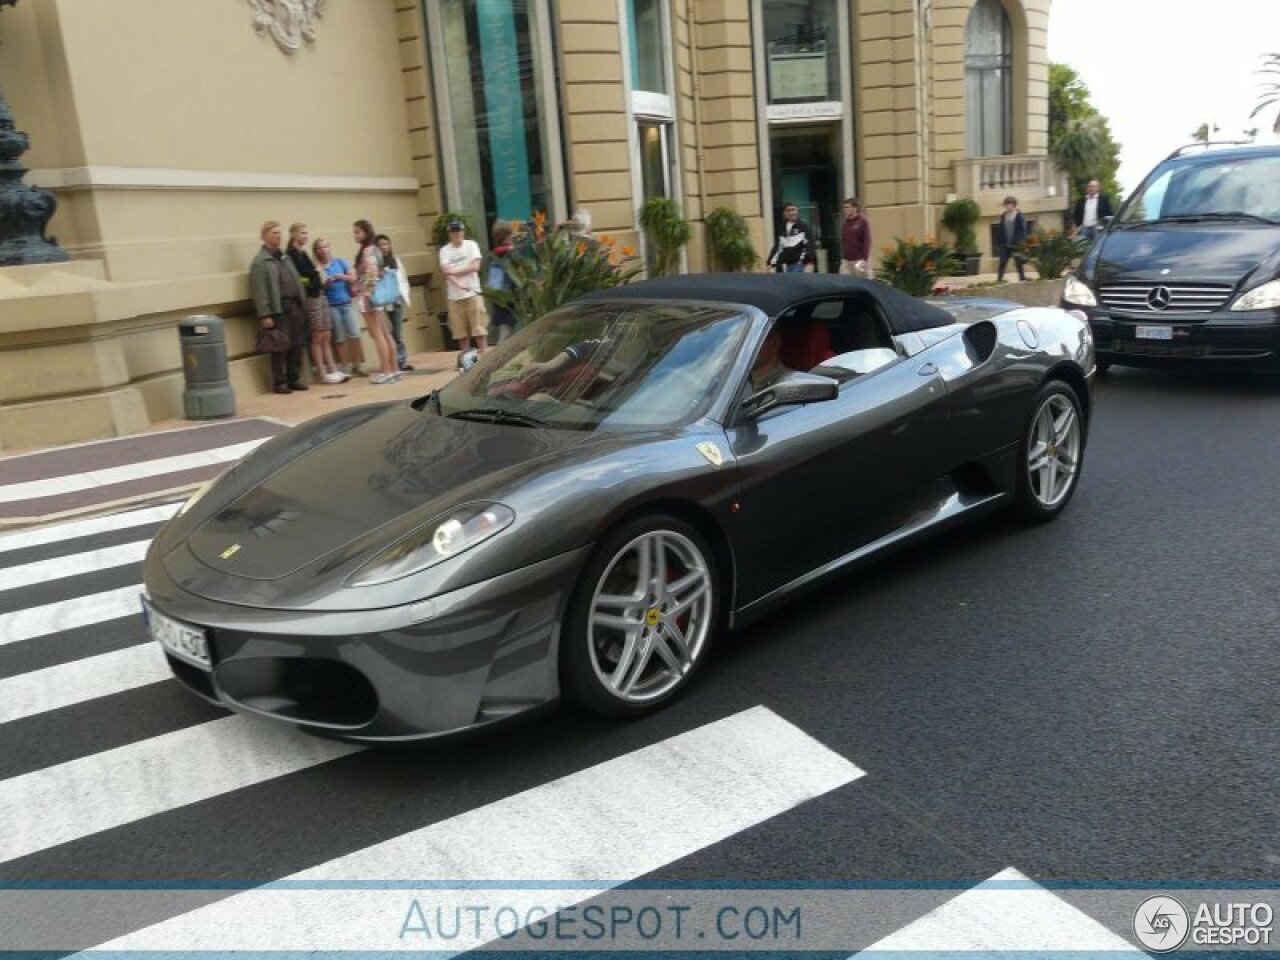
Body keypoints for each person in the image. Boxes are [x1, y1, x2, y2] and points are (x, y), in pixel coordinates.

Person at [248, 220, 308, 395]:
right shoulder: (260, 262)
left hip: (295, 306)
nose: (278, 236)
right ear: (265, 236)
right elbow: (259, 290)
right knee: (280, 347)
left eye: (279, 233)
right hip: (278, 309)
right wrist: (265, 314)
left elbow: (295, 279)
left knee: (297, 344)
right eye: (274, 233)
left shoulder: (284, 257)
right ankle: (279, 382)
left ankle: (294, 378)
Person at [287, 224, 346, 384]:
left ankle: (333, 369)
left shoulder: (303, 253)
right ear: (294, 235)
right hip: (310, 297)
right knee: (317, 335)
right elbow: (298, 278)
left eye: (307, 233)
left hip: (320, 294)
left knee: (327, 333)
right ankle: (322, 372)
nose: (306, 236)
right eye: (302, 233)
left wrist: (318, 276)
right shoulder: (291, 255)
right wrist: (314, 277)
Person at [352, 219, 400, 384]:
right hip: (376, 296)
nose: (355, 235)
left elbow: (372, 274)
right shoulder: (374, 250)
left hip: (370, 296)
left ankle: (387, 371)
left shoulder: (368, 251)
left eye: (357, 232)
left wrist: (365, 292)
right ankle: (393, 370)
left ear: (365, 232)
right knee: (385, 333)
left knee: (378, 334)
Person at [313, 237, 367, 377]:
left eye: (325, 246)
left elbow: (353, 278)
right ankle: (346, 365)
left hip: (346, 303)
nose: (323, 250)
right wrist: (326, 282)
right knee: (339, 337)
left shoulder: (340, 262)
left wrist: (341, 277)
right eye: (320, 248)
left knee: (355, 333)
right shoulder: (318, 267)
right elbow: (319, 286)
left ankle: (358, 364)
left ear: (329, 247)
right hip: (331, 305)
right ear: (316, 251)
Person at [438, 218, 487, 356]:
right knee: (460, 331)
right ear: (449, 233)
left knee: (478, 327)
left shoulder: (471, 245)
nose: (456, 234)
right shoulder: (444, 250)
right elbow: (446, 271)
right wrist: (458, 283)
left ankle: (483, 354)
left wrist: (454, 271)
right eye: (453, 232)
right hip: (454, 295)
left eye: (458, 231)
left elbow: (475, 266)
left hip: (473, 292)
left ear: (463, 231)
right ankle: (466, 358)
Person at [375, 234, 413, 372]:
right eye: (381, 245)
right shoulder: (375, 263)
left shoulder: (395, 261)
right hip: (382, 303)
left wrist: (405, 297)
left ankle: (401, 361)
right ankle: (389, 362)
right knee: (386, 333)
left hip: (395, 301)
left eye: (386, 244)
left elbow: (403, 280)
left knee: (398, 333)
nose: (384, 247)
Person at [484, 221, 517, 344]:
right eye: (511, 234)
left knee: (507, 332)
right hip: (509, 299)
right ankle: (497, 361)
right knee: (505, 334)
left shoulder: (493, 255)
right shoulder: (509, 252)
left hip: (500, 298)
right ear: (506, 236)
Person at [766, 202, 816, 273]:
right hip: (786, 265)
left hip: (800, 265)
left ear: (797, 211)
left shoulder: (803, 227)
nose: (792, 212)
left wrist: (809, 262)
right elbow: (778, 247)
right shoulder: (782, 228)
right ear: (784, 213)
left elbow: (810, 245)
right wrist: (771, 262)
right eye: (789, 210)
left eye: (793, 210)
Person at [749, 326, 795, 391]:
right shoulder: (735, 381)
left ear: (774, 344)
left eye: (752, 341)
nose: (744, 348)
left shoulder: (792, 382)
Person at [997, 195, 1028, 282]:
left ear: (1014, 205)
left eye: (1009, 204)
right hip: (1005, 244)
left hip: (1016, 244)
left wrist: (1020, 242)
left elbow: (1023, 231)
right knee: (1002, 263)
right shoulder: (1003, 216)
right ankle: (999, 280)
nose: (1007, 206)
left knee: (1019, 263)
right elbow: (1000, 229)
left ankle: (1022, 279)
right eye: (1006, 204)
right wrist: (999, 242)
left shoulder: (1019, 216)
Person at [838, 198, 872, 278]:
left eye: (847, 207)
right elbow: (843, 240)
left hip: (859, 260)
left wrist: (864, 259)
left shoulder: (862, 221)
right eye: (844, 207)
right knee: (843, 281)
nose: (845, 210)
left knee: (862, 282)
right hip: (846, 260)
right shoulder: (845, 223)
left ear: (854, 208)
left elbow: (866, 240)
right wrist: (843, 256)